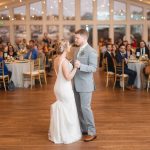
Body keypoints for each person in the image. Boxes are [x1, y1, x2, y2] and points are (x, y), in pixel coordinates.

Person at [48, 39, 81, 144]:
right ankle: (67, 134)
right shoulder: (64, 61)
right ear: (66, 48)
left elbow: (59, 74)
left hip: (57, 87)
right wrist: (75, 67)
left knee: (63, 110)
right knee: (69, 110)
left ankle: (59, 133)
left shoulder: (56, 59)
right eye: (69, 46)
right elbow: (68, 77)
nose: (70, 47)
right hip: (65, 88)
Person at [73, 29, 98, 142]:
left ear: (84, 38)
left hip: (86, 85)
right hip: (75, 83)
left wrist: (80, 66)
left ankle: (92, 132)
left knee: (86, 108)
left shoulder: (91, 51)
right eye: (75, 37)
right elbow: (74, 63)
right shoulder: (77, 50)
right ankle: (84, 129)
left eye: (77, 38)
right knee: (79, 108)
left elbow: (93, 68)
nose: (75, 39)